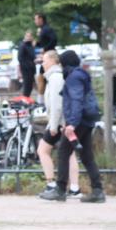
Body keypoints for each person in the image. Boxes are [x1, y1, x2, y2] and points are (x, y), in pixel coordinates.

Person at [39, 50, 105, 203]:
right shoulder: (80, 75)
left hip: (78, 120)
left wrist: (72, 124)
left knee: (63, 152)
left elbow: (76, 100)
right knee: (87, 156)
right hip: (87, 119)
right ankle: (98, 190)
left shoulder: (73, 78)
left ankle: (60, 190)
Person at [36, 50, 81, 199]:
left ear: (53, 61)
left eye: (45, 61)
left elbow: (57, 105)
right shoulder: (54, 77)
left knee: (43, 150)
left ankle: (52, 184)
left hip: (60, 123)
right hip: (63, 122)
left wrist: (53, 126)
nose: (43, 63)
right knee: (70, 154)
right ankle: (74, 187)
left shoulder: (55, 78)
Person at [17, 30, 37, 97]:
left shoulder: (30, 45)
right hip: (26, 69)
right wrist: (28, 65)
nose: (29, 37)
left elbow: (32, 56)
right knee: (27, 86)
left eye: (30, 36)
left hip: (31, 69)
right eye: (27, 36)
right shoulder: (23, 45)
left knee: (30, 86)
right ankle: (25, 99)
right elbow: (20, 58)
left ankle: (26, 98)